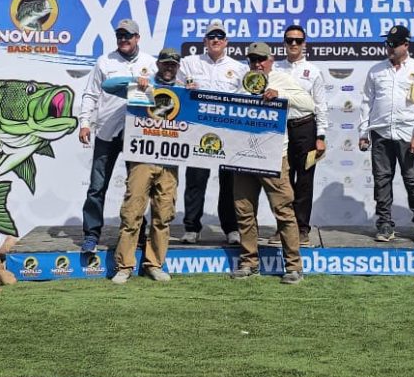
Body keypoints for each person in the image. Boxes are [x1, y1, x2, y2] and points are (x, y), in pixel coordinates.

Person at [231, 41, 316, 284]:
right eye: (253, 60)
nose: (257, 64)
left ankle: (294, 266)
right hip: (244, 156)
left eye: (261, 59)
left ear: (270, 60)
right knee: (244, 210)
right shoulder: (242, 83)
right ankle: (249, 262)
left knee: (284, 210)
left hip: (274, 156)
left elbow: (309, 105)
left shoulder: (281, 79)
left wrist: (281, 95)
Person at [79, 19, 157, 254]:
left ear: (137, 38)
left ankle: (138, 234)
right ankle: (91, 234)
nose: (123, 39)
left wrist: (151, 87)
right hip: (107, 131)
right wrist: (85, 123)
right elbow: (90, 94)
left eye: (128, 35)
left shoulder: (150, 63)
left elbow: (164, 92)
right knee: (97, 186)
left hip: (139, 133)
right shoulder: (104, 61)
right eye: (120, 35)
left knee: (139, 187)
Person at [110, 48, 184, 284]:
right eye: (165, 63)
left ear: (178, 67)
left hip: (170, 161)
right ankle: (124, 266)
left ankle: (154, 264)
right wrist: (135, 81)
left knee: (163, 215)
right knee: (132, 213)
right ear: (158, 65)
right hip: (142, 159)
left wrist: (194, 94)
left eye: (173, 64)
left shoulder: (183, 90)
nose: (169, 68)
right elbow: (108, 85)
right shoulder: (142, 86)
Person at [177, 20, 248, 245]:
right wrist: (184, 91)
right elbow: (175, 91)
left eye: (219, 36)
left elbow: (246, 98)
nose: (215, 39)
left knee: (230, 183)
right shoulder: (188, 63)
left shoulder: (240, 68)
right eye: (211, 36)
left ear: (226, 41)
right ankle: (191, 228)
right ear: (205, 41)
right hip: (198, 130)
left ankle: (231, 228)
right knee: (195, 180)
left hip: (229, 132)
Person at [358, 25, 414, 243]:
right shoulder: (376, 70)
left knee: (413, 180)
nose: (390, 47)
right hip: (380, 132)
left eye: (394, 44)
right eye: (387, 43)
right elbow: (366, 102)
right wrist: (363, 132)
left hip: (407, 134)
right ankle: (384, 224)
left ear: (405, 45)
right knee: (381, 180)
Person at [271, 24, 328, 247]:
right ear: (284, 43)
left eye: (298, 40)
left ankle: (302, 229)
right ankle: (283, 228)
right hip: (280, 129)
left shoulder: (313, 71)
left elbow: (320, 105)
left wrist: (320, 136)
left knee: (304, 180)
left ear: (304, 44)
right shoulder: (274, 69)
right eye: (289, 40)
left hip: (305, 128)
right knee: (282, 181)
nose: (293, 44)